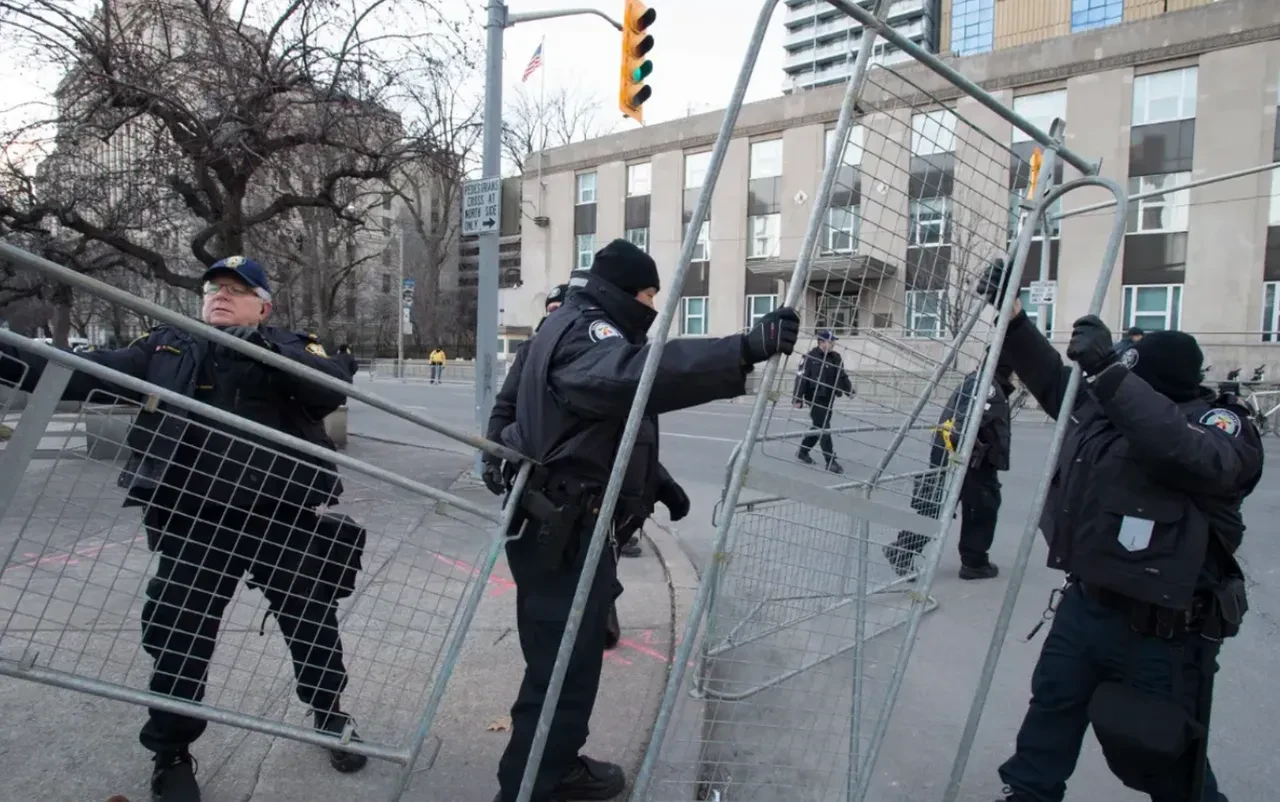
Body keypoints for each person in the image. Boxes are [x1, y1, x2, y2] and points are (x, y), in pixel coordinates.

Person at [0, 256, 366, 802]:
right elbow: (81, 371)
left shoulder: (291, 345)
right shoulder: (166, 347)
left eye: (237, 290)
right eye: (214, 287)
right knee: (179, 638)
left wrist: (256, 347)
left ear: (263, 305)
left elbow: (329, 388)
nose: (220, 295)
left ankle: (330, 714)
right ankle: (171, 753)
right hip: (194, 519)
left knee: (311, 624)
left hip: (283, 517)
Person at [491, 239, 798, 802]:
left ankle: (554, 764)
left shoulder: (571, 325)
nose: (655, 306)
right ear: (630, 292)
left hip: (565, 527)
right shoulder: (587, 332)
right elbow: (627, 379)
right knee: (561, 671)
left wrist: (655, 484)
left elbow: (595, 433)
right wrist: (744, 349)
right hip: (561, 532)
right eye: (652, 294)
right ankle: (532, 785)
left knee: (568, 665)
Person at [973, 261, 1262, 802]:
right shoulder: (1109, 407)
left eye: (1129, 377)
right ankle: (1029, 794)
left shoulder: (1220, 426)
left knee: (1162, 751)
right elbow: (1052, 381)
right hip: (1087, 607)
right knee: (1051, 711)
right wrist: (1012, 316)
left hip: (1163, 630)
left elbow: (1181, 449)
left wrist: (1110, 373)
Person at [481, 278, 691, 653]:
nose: (557, 316)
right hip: (565, 497)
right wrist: (492, 453)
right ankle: (573, 641)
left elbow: (633, 434)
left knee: (599, 565)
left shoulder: (612, 349)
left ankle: (596, 614)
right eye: (550, 311)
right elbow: (506, 407)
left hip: (618, 495)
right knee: (564, 583)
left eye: (562, 307)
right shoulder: (536, 353)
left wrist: (659, 481)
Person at [883, 347, 1013, 580]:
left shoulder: (981, 380)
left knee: (942, 505)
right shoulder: (987, 385)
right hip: (968, 458)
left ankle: (903, 548)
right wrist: (965, 454)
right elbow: (963, 424)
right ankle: (973, 562)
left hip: (961, 455)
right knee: (979, 507)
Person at [792, 330, 853, 474]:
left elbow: (842, 376)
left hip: (829, 396)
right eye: (830, 342)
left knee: (818, 426)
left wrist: (849, 390)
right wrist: (797, 398)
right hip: (815, 397)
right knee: (825, 427)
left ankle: (803, 451)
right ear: (821, 342)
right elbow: (801, 378)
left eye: (833, 342)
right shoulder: (809, 357)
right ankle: (830, 460)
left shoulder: (836, 357)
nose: (833, 344)